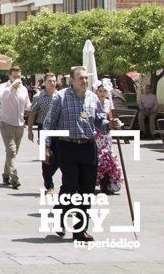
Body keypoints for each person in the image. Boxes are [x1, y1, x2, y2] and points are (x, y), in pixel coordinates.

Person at [43, 66, 122, 242]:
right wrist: (46, 146)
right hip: (67, 146)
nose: (85, 81)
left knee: (86, 190)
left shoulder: (93, 98)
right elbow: (49, 123)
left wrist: (110, 123)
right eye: (81, 78)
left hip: (88, 147)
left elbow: (100, 120)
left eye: (86, 78)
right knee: (70, 186)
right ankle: (59, 214)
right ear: (72, 80)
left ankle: (80, 230)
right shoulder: (61, 97)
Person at [27, 73, 60, 195]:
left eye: (54, 81)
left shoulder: (60, 96)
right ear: (44, 83)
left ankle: (50, 175)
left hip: (58, 130)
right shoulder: (38, 97)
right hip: (43, 129)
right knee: (45, 158)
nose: (53, 83)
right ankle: (49, 186)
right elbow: (32, 114)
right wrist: (30, 130)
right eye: (50, 81)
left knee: (59, 157)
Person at [0, 68, 30, 189]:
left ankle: (6, 174)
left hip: (20, 123)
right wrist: (11, 87)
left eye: (19, 77)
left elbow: (27, 105)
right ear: (10, 76)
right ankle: (14, 177)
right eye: (15, 76)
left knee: (13, 152)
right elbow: (1, 97)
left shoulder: (24, 89)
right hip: (6, 122)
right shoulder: (3, 87)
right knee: (11, 150)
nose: (18, 79)